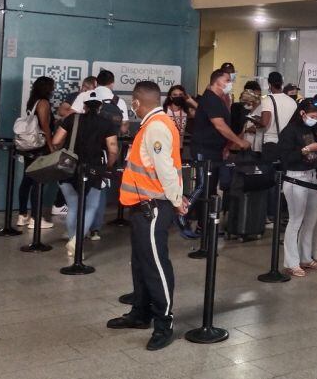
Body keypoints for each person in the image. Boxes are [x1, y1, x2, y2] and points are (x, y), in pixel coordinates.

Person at [106, 81, 189, 351]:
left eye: (133, 103)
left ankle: (164, 322)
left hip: (153, 207)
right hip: (141, 206)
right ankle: (141, 313)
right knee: (141, 263)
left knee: (155, 266)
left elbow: (165, 168)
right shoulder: (151, 125)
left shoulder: (156, 126)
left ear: (137, 103)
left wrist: (177, 200)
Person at [184, 65, 250, 238]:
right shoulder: (211, 99)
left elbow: (224, 126)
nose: (230, 83)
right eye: (227, 80)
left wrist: (226, 146)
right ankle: (182, 214)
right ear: (216, 82)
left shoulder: (220, 100)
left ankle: (203, 226)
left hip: (215, 151)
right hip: (203, 150)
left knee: (210, 189)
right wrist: (239, 142)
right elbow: (219, 125)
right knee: (202, 187)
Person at [52, 89, 119, 256]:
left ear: (84, 105)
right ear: (101, 106)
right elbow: (112, 149)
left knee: (73, 207)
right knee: (90, 207)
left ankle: (73, 242)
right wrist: (108, 167)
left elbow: (56, 141)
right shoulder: (106, 123)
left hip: (69, 168)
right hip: (94, 169)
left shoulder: (71, 120)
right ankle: (76, 243)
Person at [278, 98, 317, 277]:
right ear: (302, 113)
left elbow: (313, 153)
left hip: (311, 176)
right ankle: (292, 262)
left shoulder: (310, 129)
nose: (315, 119)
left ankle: (305, 257)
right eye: (312, 116)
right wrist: (306, 150)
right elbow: (286, 157)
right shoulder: (289, 132)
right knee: (295, 220)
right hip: (295, 178)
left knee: (311, 219)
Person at [17, 76, 56, 230]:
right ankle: (35, 218)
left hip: (29, 147)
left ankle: (22, 215)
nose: (53, 90)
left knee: (27, 180)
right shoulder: (43, 103)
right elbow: (45, 125)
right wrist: (51, 144)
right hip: (40, 147)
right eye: (52, 87)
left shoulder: (32, 101)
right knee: (38, 182)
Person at [74, 70, 129, 134]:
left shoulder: (84, 95)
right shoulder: (120, 102)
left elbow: (71, 118)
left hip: (85, 141)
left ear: (96, 83)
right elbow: (123, 129)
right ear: (112, 84)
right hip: (110, 141)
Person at [260, 72, 298, 149]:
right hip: (288, 142)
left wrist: (256, 121)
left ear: (269, 84)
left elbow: (264, 123)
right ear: (282, 83)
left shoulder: (267, 100)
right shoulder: (292, 102)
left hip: (271, 142)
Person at [236, 80, 264, 152]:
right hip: (243, 144)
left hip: (256, 147)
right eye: (256, 95)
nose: (258, 98)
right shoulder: (242, 108)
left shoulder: (264, 108)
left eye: (259, 95)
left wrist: (253, 129)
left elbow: (265, 125)